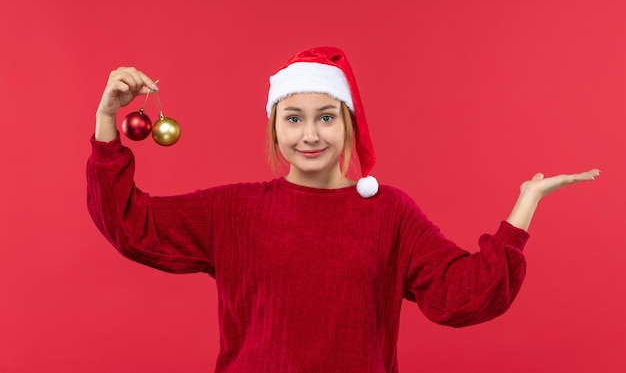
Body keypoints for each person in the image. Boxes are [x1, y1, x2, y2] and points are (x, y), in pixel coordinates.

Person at [87, 47, 599, 373]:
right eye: (294, 119)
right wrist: (107, 118)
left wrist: (523, 208)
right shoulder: (234, 210)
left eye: (326, 117)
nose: (310, 135)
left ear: (348, 125)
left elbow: (462, 296)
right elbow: (133, 226)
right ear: (275, 128)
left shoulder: (389, 213)